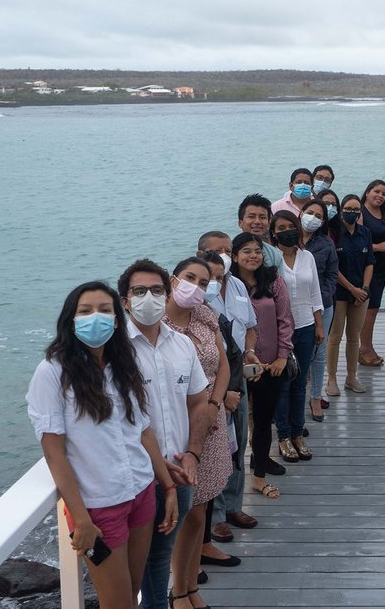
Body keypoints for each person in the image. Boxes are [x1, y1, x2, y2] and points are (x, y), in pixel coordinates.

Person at [27, 282, 178, 609]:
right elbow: (54, 453)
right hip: (99, 505)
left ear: (116, 318)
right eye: (85, 311)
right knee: (117, 603)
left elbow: (144, 432)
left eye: (104, 310)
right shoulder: (53, 372)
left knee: (132, 591)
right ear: (71, 319)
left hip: (141, 492)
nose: (95, 317)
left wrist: (167, 487)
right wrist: (81, 519)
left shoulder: (123, 365)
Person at [118, 259, 211, 609]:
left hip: (180, 471)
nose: (149, 298)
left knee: (160, 560)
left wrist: (193, 454)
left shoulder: (182, 346)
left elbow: (199, 402)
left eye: (157, 290)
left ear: (167, 292)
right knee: (135, 568)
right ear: (125, 301)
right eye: (139, 291)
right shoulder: (115, 353)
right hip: (138, 478)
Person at [162, 258, 232, 609]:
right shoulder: (154, 323)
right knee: (181, 511)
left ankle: (189, 588)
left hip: (211, 423)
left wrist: (215, 404)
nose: (197, 286)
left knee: (200, 511)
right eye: (190, 278)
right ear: (174, 280)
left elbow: (223, 365)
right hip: (177, 429)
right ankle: (176, 592)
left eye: (204, 282)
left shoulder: (205, 317)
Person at [195, 235, 263, 544]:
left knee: (239, 445)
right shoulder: (196, 292)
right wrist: (225, 393)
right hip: (211, 385)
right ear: (200, 253)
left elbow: (249, 325)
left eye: (227, 250)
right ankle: (217, 517)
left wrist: (250, 352)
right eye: (216, 250)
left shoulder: (234, 284)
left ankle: (235, 505)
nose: (223, 255)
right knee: (218, 449)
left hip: (238, 374)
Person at [231, 232, 294, 499]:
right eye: (246, 251)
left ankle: (258, 476)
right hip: (237, 366)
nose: (253, 255)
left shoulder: (273, 280)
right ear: (234, 256)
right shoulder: (228, 284)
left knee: (264, 419)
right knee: (234, 425)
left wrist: (282, 356)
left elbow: (285, 320)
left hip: (271, 365)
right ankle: (230, 483)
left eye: (257, 251)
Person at [269, 211, 324, 461]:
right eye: (280, 228)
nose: (285, 231)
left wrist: (319, 325)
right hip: (279, 330)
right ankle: (282, 436)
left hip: (305, 327)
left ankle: (296, 432)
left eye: (289, 226)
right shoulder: (270, 258)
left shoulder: (307, 256)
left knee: (301, 382)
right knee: (282, 385)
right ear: (273, 232)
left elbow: (315, 294)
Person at [327, 194, 375, 394]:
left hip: (361, 295)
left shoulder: (365, 232)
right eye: (348, 208)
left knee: (354, 336)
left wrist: (363, 289)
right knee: (335, 336)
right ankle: (331, 380)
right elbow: (333, 267)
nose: (352, 213)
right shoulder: (333, 233)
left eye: (356, 210)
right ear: (341, 210)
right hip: (339, 293)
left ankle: (351, 377)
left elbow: (370, 262)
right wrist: (351, 289)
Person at [300, 199, 339, 419]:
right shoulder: (287, 239)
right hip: (294, 306)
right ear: (301, 213)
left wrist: (322, 297)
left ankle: (315, 397)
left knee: (318, 352)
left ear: (323, 221)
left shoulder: (326, 243)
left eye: (318, 215)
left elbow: (332, 274)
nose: (312, 217)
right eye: (309, 212)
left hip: (322, 306)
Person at [358, 179, 385, 367]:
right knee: (367, 311)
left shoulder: (384, 212)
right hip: (366, 269)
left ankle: (368, 346)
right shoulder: (360, 212)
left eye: (383, 193)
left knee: (373, 310)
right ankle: (363, 349)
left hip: (381, 269)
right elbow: (355, 243)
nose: (380, 196)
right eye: (376, 191)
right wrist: (378, 247)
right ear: (367, 192)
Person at [237, 194, 283, 269]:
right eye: (251, 216)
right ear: (240, 223)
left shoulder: (274, 254)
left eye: (262, 217)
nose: (257, 221)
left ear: (268, 223)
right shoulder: (230, 249)